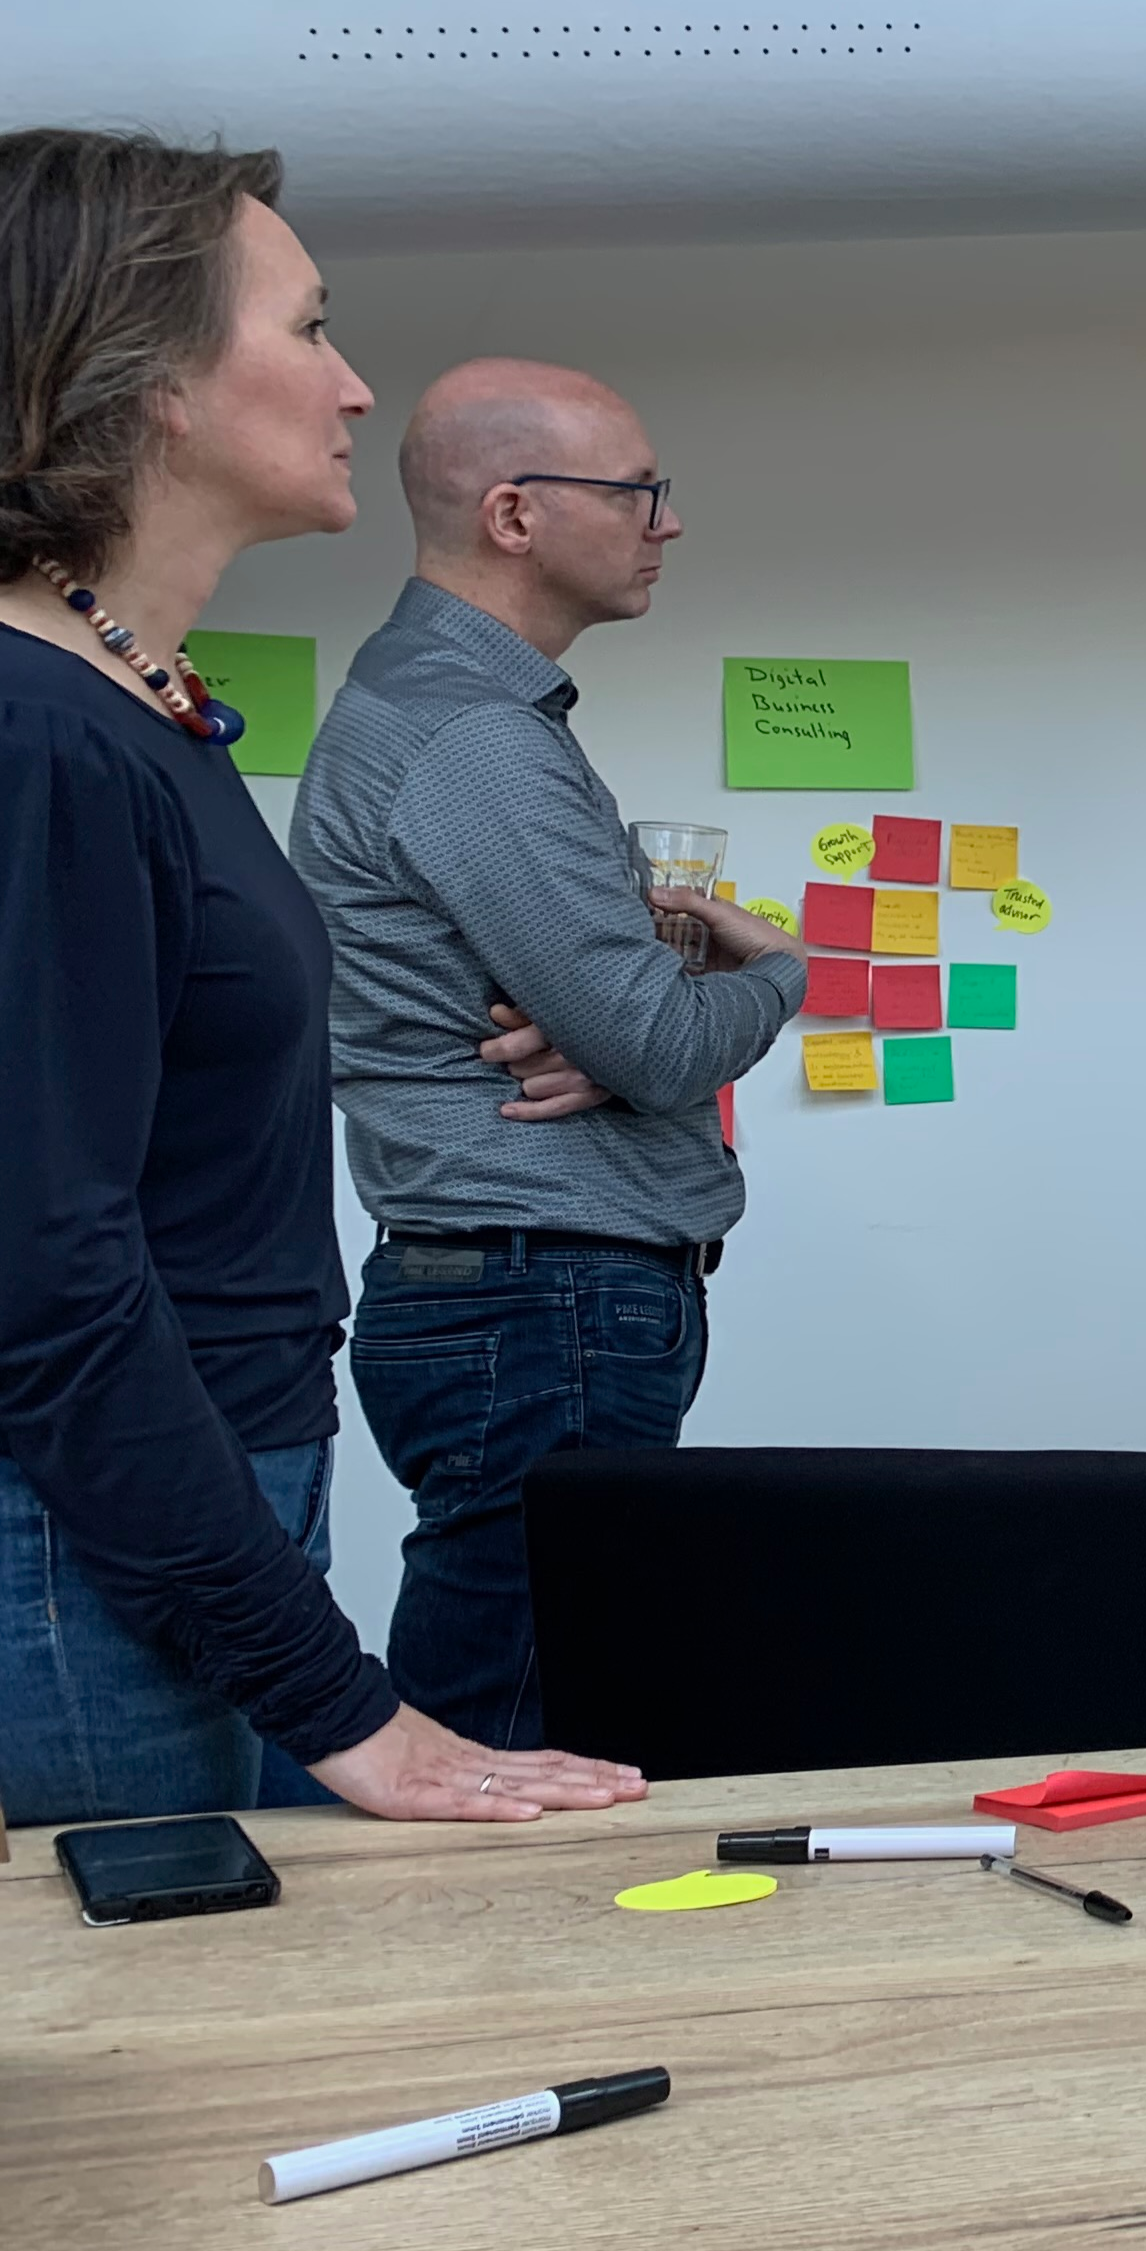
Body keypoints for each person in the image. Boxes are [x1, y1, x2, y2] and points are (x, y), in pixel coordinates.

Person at [0, 127, 645, 1827]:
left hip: (194, 1500)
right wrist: (337, 1701)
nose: (357, 388)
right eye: (305, 330)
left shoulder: (137, 710)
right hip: (103, 1540)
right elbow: (46, 1281)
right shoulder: (39, 738)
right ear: (148, 388)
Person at [290, 359, 803, 1751]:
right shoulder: (474, 739)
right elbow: (647, 1040)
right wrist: (776, 972)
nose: (666, 522)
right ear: (514, 514)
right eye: (640, 491)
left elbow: (625, 1032)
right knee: (513, 1740)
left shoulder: (451, 713)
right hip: (545, 1301)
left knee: (524, 1712)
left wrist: (635, 1029)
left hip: (524, 1297)